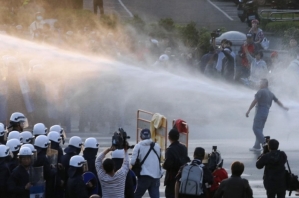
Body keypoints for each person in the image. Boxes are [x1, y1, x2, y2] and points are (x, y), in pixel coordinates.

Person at [246, 79, 288, 151]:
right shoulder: (270, 93)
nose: (259, 84)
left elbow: (255, 101)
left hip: (260, 111)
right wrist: (283, 107)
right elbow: (277, 101)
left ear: (265, 84)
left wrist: (248, 110)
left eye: (261, 83)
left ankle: (266, 144)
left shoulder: (261, 91)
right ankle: (257, 146)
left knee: (255, 128)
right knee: (260, 129)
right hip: (266, 112)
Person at [130, 128, 162, 198]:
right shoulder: (157, 146)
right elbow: (159, 159)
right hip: (156, 177)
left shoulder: (138, 146)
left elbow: (132, 162)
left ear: (141, 136)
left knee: (135, 195)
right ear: (150, 136)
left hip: (144, 177)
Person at [163, 128, 189, 198]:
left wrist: (163, 165)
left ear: (169, 137)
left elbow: (168, 165)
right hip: (183, 176)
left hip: (172, 178)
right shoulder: (184, 148)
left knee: (170, 195)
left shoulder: (169, 150)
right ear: (178, 137)